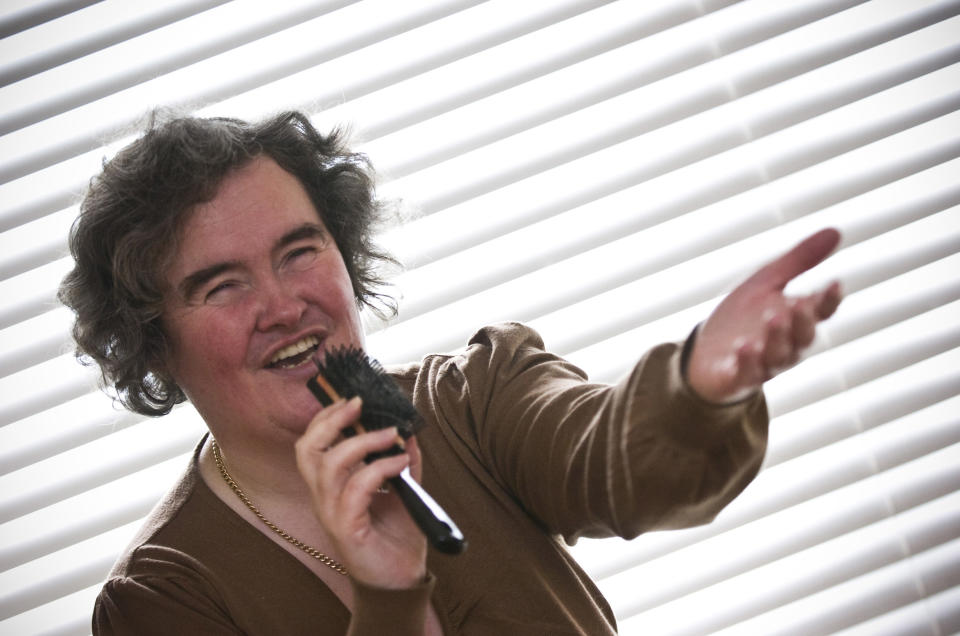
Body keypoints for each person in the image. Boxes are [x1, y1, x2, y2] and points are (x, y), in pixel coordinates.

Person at [58, 111, 842, 635]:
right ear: (153, 341)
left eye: (301, 251)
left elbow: (625, 468)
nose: (284, 304)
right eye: (223, 285)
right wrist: (391, 596)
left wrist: (699, 384)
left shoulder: (476, 392)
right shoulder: (158, 601)